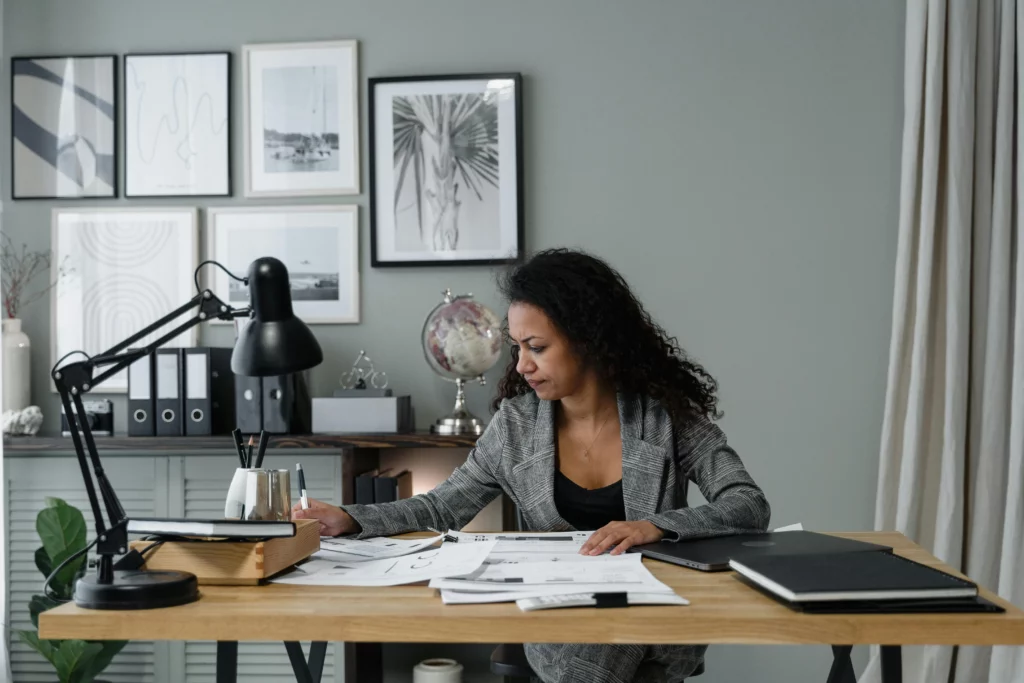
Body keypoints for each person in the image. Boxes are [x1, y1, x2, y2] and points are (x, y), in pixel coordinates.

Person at [294, 248, 771, 682]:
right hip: (558, 619)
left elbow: (747, 503)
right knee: (596, 658)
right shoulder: (516, 426)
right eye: (517, 346)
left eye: (536, 347)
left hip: (652, 614)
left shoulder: (665, 417)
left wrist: (656, 527)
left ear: (589, 341)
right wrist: (352, 517)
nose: (521, 364)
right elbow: (443, 508)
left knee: (609, 648)